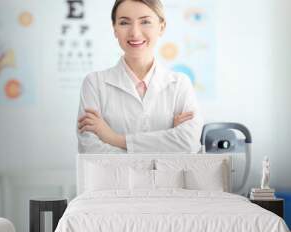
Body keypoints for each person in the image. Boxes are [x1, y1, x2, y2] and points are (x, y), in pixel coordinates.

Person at [77, 0, 203, 153]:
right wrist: (168, 142)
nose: (135, 33)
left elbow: (188, 143)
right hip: (115, 178)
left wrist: (114, 139)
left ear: (161, 27)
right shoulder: (94, 83)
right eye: (124, 23)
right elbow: (91, 150)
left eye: (145, 22)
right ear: (114, 29)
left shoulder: (179, 83)